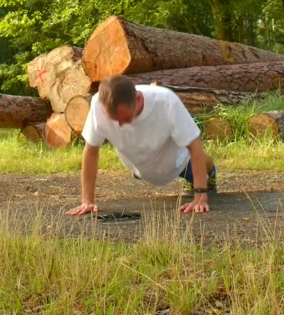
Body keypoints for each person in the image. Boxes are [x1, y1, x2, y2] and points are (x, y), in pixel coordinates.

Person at [65, 75, 217, 217]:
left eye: (125, 118)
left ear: (138, 98)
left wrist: (200, 196)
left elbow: (194, 147)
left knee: (195, 161)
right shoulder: (97, 104)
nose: (120, 125)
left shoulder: (166, 101)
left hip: (176, 162)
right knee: (146, 168)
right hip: (140, 165)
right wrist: (87, 201)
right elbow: (91, 151)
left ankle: (210, 171)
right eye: (114, 119)